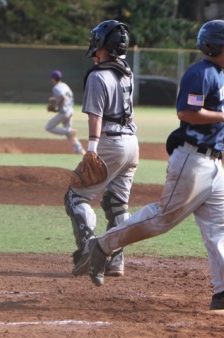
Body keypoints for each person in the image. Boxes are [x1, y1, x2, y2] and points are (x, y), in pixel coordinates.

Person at [73, 20, 224, 310]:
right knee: (162, 218)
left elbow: (208, 114)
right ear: (212, 46)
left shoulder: (219, 75)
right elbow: (187, 112)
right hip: (192, 161)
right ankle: (101, 245)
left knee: (221, 226)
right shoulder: (199, 74)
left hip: (213, 163)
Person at [65, 20, 139, 278]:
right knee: (117, 204)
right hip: (131, 143)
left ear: (102, 45)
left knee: (76, 197)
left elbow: (95, 115)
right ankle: (116, 260)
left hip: (109, 142)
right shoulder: (126, 71)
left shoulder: (98, 75)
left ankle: (88, 248)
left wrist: (92, 149)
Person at [46, 70, 85, 154]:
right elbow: (65, 97)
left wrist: (55, 105)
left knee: (48, 127)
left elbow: (62, 97)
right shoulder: (64, 85)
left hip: (64, 112)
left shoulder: (56, 87)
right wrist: (54, 99)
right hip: (70, 110)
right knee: (70, 134)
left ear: (53, 79)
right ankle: (79, 149)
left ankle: (68, 131)